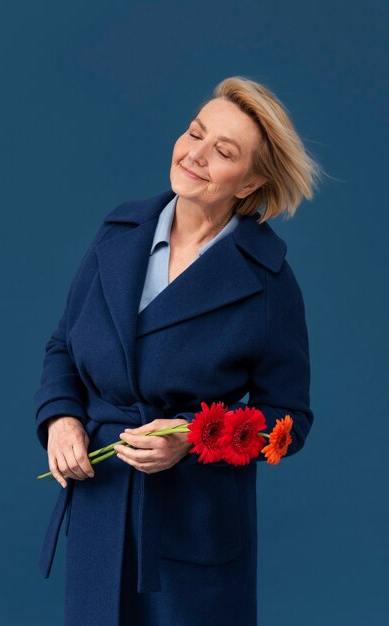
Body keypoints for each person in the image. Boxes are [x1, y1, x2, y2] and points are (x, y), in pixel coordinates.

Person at [35, 75, 322, 626]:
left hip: (195, 530)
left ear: (251, 181)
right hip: (102, 508)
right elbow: (62, 347)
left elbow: (290, 422)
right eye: (195, 133)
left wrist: (188, 437)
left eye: (224, 152)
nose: (195, 155)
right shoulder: (117, 233)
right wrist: (61, 419)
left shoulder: (268, 282)